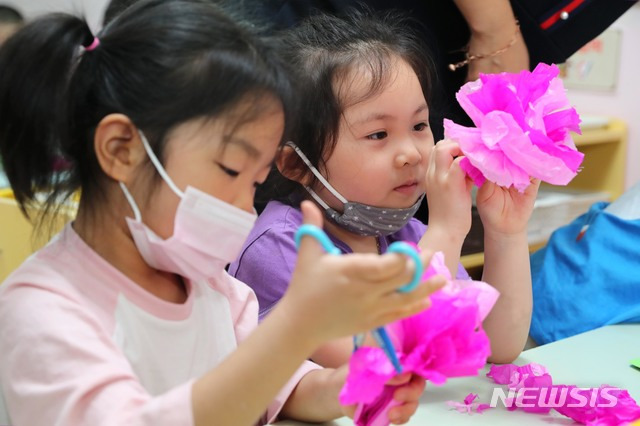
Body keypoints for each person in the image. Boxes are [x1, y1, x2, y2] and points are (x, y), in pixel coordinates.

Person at [0, 1, 443, 424]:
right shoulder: (42, 312)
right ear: (122, 150)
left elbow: (277, 387)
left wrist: (349, 388)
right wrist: (296, 326)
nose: (243, 204)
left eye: (254, 180)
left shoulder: (211, 285)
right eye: (230, 168)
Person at [229, 10, 540, 368]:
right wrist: (447, 231)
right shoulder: (281, 247)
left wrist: (505, 233)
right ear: (298, 164)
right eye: (378, 134)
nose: (411, 153)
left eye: (420, 125)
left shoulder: (407, 234)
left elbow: (494, 346)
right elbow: (376, 363)